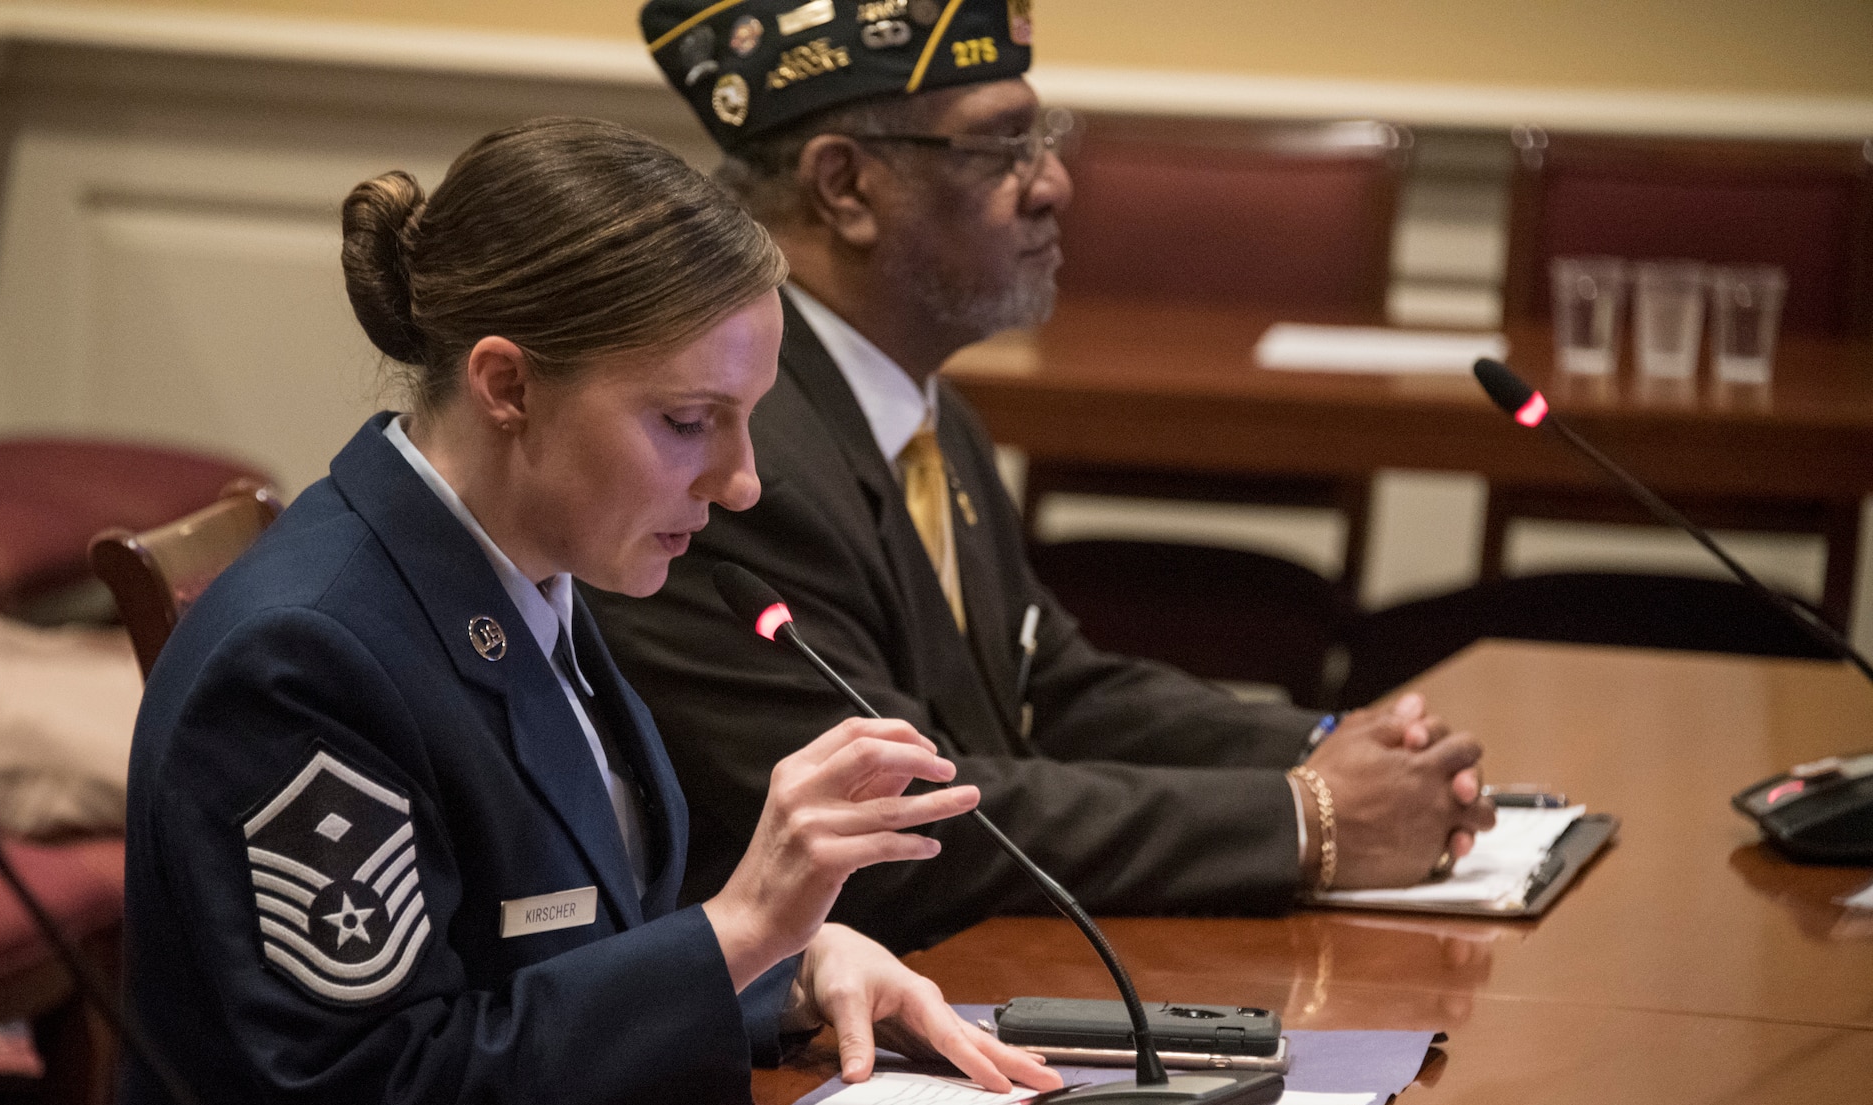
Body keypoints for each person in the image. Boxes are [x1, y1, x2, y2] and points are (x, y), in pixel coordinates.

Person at [44, 118, 1054, 1105]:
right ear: (507, 384)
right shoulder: (301, 659)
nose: (739, 483)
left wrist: (788, 975)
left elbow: (534, 967)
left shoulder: (532, 573)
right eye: (688, 424)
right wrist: (734, 934)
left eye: (747, 419)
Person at [590, 0, 1496, 954]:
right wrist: (1304, 817)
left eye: (1043, 138)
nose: (1054, 183)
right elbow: (896, 822)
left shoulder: (932, 422)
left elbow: (1051, 686)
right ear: (846, 186)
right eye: (1002, 146)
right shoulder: (733, 463)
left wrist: (1331, 747)